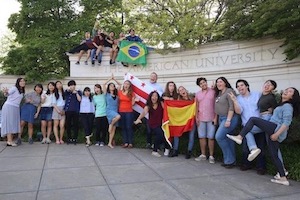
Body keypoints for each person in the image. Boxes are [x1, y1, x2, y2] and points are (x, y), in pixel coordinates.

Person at [227, 87, 300, 186]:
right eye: (286, 90)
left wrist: (277, 134)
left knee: (253, 120)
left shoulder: (288, 106)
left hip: (275, 129)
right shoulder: (281, 105)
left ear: (292, 97)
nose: (286, 91)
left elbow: (286, 123)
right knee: (274, 155)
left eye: (290, 91)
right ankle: (283, 178)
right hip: (272, 128)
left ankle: (240, 137)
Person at [228, 79, 267, 174]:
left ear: (247, 86)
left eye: (241, 85)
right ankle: (246, 164)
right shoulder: (238, 99)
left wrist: (269, 110)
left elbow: (265, 103)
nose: (240, 88)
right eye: (238, 86)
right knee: (246, 148)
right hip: (247, 126)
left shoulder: (257, 94)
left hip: (259, 125)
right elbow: (238, 111)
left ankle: (261, 167)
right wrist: (234, 101)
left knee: (260, 147)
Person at [214, 77, 239, 168]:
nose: (218, 84)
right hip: (221, 118)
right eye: (217, 82)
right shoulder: (220, 93)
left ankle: (230, 159)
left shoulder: (229, 91)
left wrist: (228, 120)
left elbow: (231, 107)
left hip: (229, 118)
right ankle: (230, 161)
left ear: (225, 83)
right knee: (228, 139)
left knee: (219, 137)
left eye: (220, 82)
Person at [134, 91, 166, 157]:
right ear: (151, 97)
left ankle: (155, 144)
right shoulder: (148, 106)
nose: (154, 97)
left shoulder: (161, 103)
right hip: (152, 124)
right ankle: (154, 151)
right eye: (153, 96)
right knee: (160, 134)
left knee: (162, 136)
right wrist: (138, 119)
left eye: (156, 96)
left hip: (161, 123)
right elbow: (143, 113)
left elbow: (165, 110)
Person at [169, 86, 196, 159]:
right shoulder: (179, 101)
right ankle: (175, 150)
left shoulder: (193, 98)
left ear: (185, 90)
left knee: (191, 135)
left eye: (182, 89)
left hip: (190, 119)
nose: (182, 91)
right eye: (180, 91)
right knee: (176, 133)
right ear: (179, 93)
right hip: (182, 120)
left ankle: (189, 151)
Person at [194, 77, 216, 164]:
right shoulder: (197, 94)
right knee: (202, 137)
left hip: (211, 117)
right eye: (201, 84)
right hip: (201, 118)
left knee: (211, 137)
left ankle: (211, 156)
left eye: (204, 82)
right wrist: (196, 117)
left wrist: (215, 117)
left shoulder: (213, 91)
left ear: (206, 82)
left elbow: (216, 105)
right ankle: (203, 155)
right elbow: (196, 106)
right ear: (199, 86)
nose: (203, 84)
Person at [1, 78, 25, 146]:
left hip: (15, 108)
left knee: (13, 123)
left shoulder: (22, 90)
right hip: (9, 106)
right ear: (18, 82)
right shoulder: (14, 88)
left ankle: (10, 140)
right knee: (9, 123)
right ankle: (9, 141)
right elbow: (8, 93)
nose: (23, 82)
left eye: (24, 81)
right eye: (21, 81)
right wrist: (6, 92)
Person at [144, 72, 164, 149]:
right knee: (149, 129)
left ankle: (156, 144)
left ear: (156, 78)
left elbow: (161, 98)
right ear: (149, 77)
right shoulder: (145, 85)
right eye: (151, 76)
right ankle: (148, 142)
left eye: (154, 76)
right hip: (148, 109)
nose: (153, 78)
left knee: (157, 129)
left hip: (155, 111)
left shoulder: (159, 87)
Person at [118, 80, 137, 148]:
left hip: (129, 111)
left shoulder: (131, 93)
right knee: (123, 127)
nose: (126, 85)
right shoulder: (119, 92)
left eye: (128, 84)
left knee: (129, 127)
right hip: (121, 111)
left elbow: (132, 104)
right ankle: (125, 142)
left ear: (129, 86)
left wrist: (134, 100)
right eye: (125, 84)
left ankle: (130, 142)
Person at [64, 80, 82, 145]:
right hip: (68, 110)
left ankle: (75, 138)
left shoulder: (79, 92)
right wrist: (69, 90)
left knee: (75, 125)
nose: (72, 86)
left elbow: (80, 100)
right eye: (71, 85)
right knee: (68, 125)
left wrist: (76, 93)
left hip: (76, 110)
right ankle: (69, 138)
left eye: (73, 85)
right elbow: (65, 92)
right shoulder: (67, 92)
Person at [106, 75, 121, 148]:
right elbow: (103, 84)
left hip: (115, 110)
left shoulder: (117, 94)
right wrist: (110, 79)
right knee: (118, 117)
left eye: (113, 85)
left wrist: (114, 79)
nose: (112, 86)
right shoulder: (107, 94)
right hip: (109, 110)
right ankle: (111, 124)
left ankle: (110, 142)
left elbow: (120, 85)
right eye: (110, 86)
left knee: (113, 129)